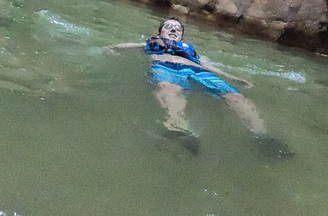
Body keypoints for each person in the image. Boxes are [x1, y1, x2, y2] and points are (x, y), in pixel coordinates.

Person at [106, 18, 290, 155]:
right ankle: (179, 129)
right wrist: (113, 47)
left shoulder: (190, 51)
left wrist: (235, 79)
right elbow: (135, 45)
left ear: (182, 35)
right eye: (168, 27)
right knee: (168, 88)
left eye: (177, 29)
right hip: (167, 68)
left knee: (236, 96)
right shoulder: (155, 45)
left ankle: (262, 136)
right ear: (160, 33)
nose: (173, 30)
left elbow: (209, 66)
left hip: (199, 72)